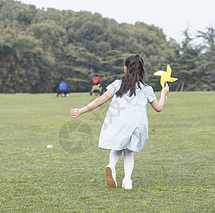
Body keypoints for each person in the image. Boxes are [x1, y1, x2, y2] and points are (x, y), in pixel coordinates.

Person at [70, 55, 169, 189]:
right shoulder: (146, 89)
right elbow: (158, 108)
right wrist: (163, 94)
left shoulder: (117, 84)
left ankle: (111, 165)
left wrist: (81, 110)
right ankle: (127, 181)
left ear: (125, 69)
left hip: (118, 122)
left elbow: (100, 101)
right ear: (142, 70)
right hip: (136, 125)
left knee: (117, 147)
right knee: (129, 151)